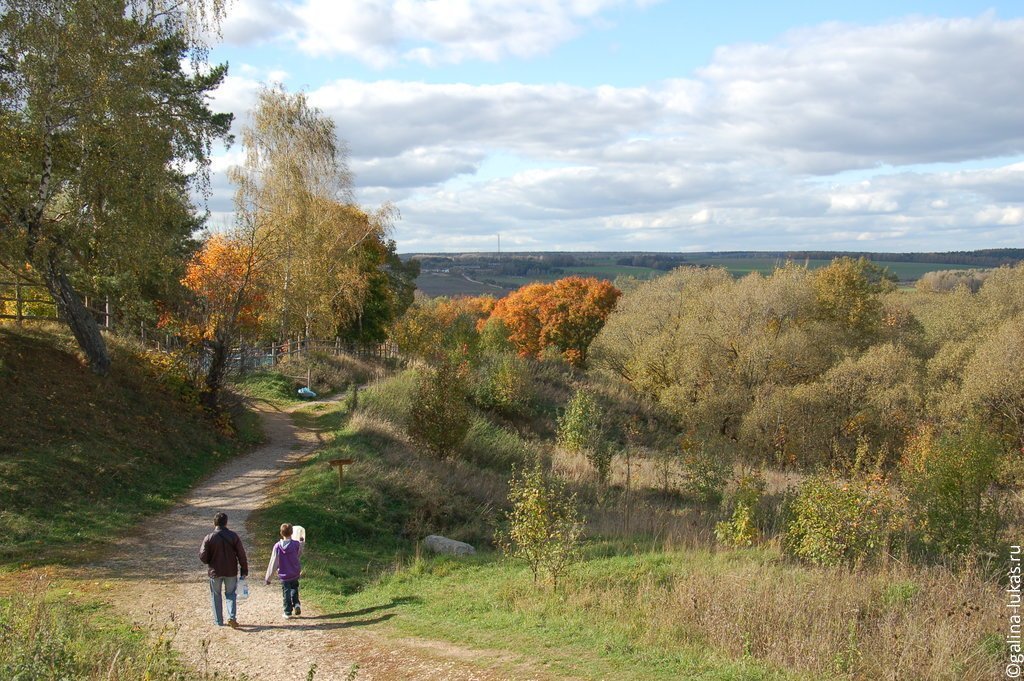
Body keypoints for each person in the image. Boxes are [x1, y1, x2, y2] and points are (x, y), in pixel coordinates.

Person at [199, 512, 249, 628]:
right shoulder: (233, 536)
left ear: (214, 523)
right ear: (226, 523)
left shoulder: (209, 537)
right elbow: (241, 554)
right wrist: (244, 569)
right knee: (230, 594)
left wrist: (210, 561)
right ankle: (231, 617)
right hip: (230, 571)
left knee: (216, 595)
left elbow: (203, 556)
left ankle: (218, 621)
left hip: (215, 572)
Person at [264, 523, 304, 619]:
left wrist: (268, 578)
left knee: (286, 592)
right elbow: (299, 553)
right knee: (294, 588)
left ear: (281, 533)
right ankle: (297, 604)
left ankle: (287, 611)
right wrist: (302, 543)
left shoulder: (277, 546)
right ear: (292, 533)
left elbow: (273, 562)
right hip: (294, 572)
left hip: (284, 574)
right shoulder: (296, 544)